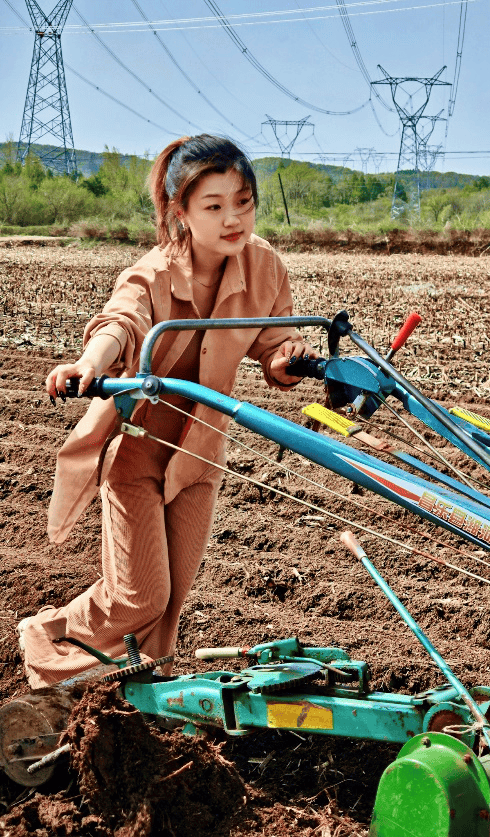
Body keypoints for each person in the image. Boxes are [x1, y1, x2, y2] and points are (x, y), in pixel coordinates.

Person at [19, 134, 318, 689]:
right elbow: (122, 321)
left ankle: (139, 704)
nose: (234, 218)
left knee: (171, 603)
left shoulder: (266, 268)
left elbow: (275, 348)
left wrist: (290, 356)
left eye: (244, 201)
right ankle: (47, 634)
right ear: (180, 211)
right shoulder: (155, 272)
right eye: (214, 205)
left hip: (201, 454)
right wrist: (90, 362)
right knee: (140, 598)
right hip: (137, 452)